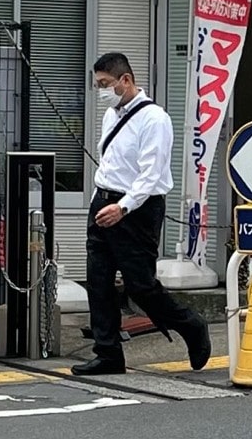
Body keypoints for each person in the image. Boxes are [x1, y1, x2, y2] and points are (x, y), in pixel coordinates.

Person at [73, 52, 212, 376]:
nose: (102, 91)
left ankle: (191, 325)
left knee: (140, 285)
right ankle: (108, 353)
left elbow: (151, 175)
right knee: (99, 281)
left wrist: (123, 207)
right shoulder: (112, 115)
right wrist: (100, 200)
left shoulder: (154, 119)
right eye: (98, 85)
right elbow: (110, 163)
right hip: (104, 203)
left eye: (106, 84)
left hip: (136, 208)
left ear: (126, 79)